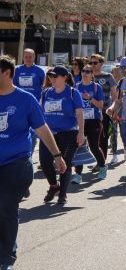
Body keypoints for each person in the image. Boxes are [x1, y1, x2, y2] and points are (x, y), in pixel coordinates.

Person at [0, 55, 67, 269]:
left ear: (6, 73)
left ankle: (6, 258)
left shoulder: (25, 100)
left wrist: (57, 155)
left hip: (16, 163)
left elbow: (42, 129)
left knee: (6, 206)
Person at [40, 66, 85, 204]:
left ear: (64, 77)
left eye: (55, 77)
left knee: (64, 163)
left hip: (68, 133)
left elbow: (79, 114)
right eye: (50, 77)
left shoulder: (73, 93)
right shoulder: (46, 93)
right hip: (49, 134)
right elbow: (41, 114)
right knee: (45, 162)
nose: (52, 79)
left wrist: (81, 133)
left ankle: (63, 194)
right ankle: (54, 186)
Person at [72, 64, 107, 183]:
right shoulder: (76, 87)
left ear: (92, 74)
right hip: (80, 121)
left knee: (94, 146)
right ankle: (78, 174)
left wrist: (90, 99)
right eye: (83, 71)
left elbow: (101, 106)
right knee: (79, 146)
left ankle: (102, 167)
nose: (85, 73)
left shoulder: (96, 87)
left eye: (88, 71)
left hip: (94, 120)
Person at [89, 55, 119, 164]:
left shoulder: (108, 77)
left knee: (103, 137)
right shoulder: (87, 75)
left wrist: (114, 109)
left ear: (101, 63)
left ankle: (101, 162)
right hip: (89, 113)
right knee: (91, 139)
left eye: (95, 63)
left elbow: (115, 96)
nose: (92, 65)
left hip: (104, 111)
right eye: (91, 63)